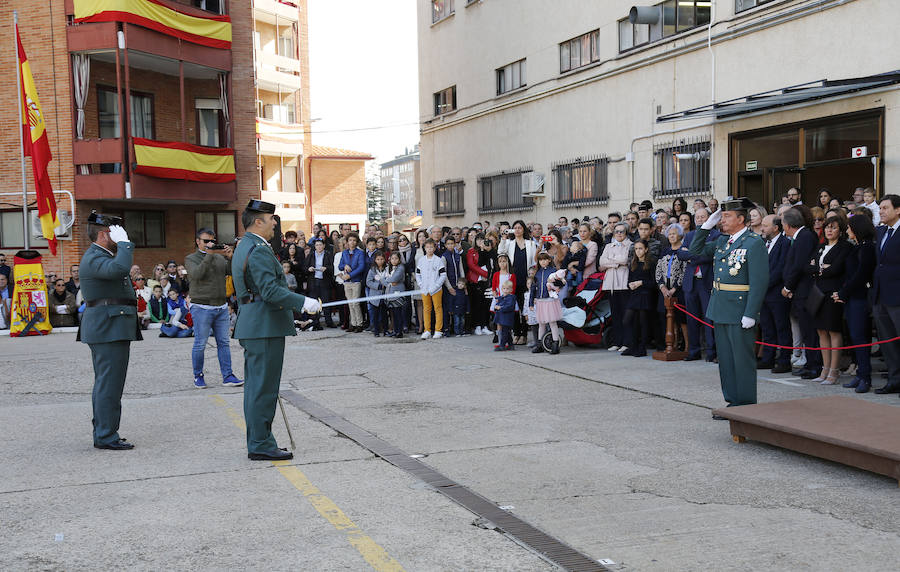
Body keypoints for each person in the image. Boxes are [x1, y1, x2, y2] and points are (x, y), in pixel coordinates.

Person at [231, 200, 321, 461]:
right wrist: (303, 302)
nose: (274, 223)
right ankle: (260, 443)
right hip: (263, 325)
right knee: (263, 389)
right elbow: (269, 291)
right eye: (271, 219)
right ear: (258, 221)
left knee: (257, 387)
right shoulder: (257, 249)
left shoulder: (247, 245)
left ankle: (259, 440)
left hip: (258, 324)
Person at [689, 199, 768, 414]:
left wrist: (751, 313)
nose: (722, 220)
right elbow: (695, 251)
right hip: (721, 307)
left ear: (741, 219)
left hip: (740, 310)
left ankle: (746, 404)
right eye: (721, 217)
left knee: (741, 360)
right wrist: (706, 227)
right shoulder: (724, 241)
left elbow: (759, 281)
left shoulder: (754, 242)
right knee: (726, 360)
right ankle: (733, 402)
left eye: (726, 216)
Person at [78, 212, 141, 450]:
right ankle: (105, 435)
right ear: (104, 234)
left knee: (107, 383)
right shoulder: (95, 257)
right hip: (108, 328)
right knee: (109, 384)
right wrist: (125, 244)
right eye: (114, 232)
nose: (119, 236)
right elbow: (119, 269)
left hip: (110, 326)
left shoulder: (101, 255)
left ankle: (104, 431)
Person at [185, 228, 242, 388]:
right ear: (198, 241)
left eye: (212, 241)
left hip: (221, 306)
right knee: (200, 343)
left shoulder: (218, 257)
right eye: (206, 241)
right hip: (201, 306)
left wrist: (231, 258)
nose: (210, 244)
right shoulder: (191, 258)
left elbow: (232, 271)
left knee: (224, 342)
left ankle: (228, 376)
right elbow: (197, 275)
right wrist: (209, 256)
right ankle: (198, 376)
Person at [805, 216, 852, 384]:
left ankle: (834, 370)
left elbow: (836, 269)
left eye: (833, 227)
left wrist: (818, 269)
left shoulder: (845, 246)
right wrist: (820, 269)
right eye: (827, 227)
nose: (829, 230)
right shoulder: (821, 246)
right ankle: (824, 369)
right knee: (821, 331)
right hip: (818, 293)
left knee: (833, 330)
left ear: (840, 230)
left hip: (833, 293)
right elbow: (808, 266)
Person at [835, 214, 877, 393]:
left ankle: (865, 377)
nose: (847, 230)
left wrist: (843, 292)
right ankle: (860, 374)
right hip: (852, 298)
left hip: (860, 298)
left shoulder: (867, 248)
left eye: (850, 227)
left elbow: (861, 275)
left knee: (861, 337)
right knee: (854, 336)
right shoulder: (858, 247)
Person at [781, 207, 824, 379]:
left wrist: (788, 287)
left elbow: (798, 265)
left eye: (783, 223)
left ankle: (815, 365)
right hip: (799, 291)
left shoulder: (805, 237)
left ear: (789, 224)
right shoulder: (801, 237)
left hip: (805, 291)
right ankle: (810, 363)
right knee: (806, 330)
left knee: (810, 331)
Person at [678, 208, 718, 362]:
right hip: (691, 282)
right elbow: (681, 254)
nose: (700, 219)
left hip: (706, 282)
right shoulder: (689, 235)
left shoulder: (716, 235)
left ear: (709, 219)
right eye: (698, 217)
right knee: (692, 319)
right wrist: (695, 254)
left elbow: (709, 255)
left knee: (708, 320)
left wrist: (692, 256)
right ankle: (693, 351)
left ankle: (711, 352)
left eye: (703, 217)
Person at [756, 215, 792, 374]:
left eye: (765, 225)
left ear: (775, 228)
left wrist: (764, 284)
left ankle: (784, 360)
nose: (762, 228)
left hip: (777, 293)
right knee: (767, 327)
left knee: (781, 327)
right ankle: (768, 358)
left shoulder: (785, 244)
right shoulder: (763, 243)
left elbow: (780, 268)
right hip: (763, 294)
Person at [872, 194, 900, 395]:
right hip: (880, 296)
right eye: (880, 208)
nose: (880, 211)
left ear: (898, 210)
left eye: (885, 208)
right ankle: (894, 379)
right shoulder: (881, 232)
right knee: (888, 342)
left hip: (897, 297)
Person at [499, 220, 537, 345]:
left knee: (524, 308)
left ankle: (524, 334)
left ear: (523, 229)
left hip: (526, 280)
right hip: (513, 280)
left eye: (520, 227)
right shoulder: (510, 243)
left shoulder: (530, 243)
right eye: (515, 228)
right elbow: (500, 252)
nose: (517, 230)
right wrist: (503, 239)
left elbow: (533, 261)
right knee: (513, 307)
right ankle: (516, 333)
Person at [598, 223, 632, 351]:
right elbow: (602, 262)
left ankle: (627, 342)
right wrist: (615, 263)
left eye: (621, 231)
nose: (618, 234)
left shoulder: (630, 245)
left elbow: (625, 260)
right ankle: (617, 342)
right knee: (615, 315)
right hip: (611, 284)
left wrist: (611, 261)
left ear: (626, 233)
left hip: (623, 283)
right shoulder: (608, 245)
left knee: (625, 315)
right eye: (616, 231)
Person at [624, 240, 655, 357]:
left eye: (640, 248)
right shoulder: (633, 263)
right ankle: (633, 346)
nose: (638, 251)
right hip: (634, 295)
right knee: (628, 321)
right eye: (636, 249)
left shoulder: (651, 263)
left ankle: (642, 348)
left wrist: (641, 283)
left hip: (645, 295)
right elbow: (629, 280)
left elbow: (653, 282)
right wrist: (630, 285)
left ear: (646, 249)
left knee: (643, 322)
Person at [530, 252, 563, 354]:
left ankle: (555, 344)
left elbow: (561, 283)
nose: (543, 262)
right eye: (540, 260)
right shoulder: (537, 273)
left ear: (549, 260)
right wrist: (530, 302)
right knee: (541, 323)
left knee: (552, 322)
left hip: (550, 300)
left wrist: (556, 283)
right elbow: (532, 289)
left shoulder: (553, 271)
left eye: (545, 259)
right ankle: (540, 344)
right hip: (540, 301)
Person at [416, 238, 446, 340]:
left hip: (436, 289)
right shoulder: (421, 260)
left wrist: (436, 286)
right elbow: (418, 274)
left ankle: (438, 330)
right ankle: (427, 330)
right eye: (427, 247)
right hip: (425, 289)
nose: (429, 249)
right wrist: (421, 284)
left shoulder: (438, 260)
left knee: (438, 308)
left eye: (431, 247)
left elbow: (442, 275)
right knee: (426, 309)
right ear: (424, 248)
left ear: (434, 248)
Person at [338, 233, 366, 333]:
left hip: (356, 281)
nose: (352, 242)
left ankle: (359, 323)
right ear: (347, 242)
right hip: (346, 282)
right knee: (350, 303)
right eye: (350, 240)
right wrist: (345, 265)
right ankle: (353, 324)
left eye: (354, 240)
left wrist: (350, 275)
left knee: (356, 303)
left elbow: (361, 267)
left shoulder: (360, 253)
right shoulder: (344, 252)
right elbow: (340, 266)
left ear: (357, 242)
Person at [305, 238, 335, 329]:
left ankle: (329, 321)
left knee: (326, 302)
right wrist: (308, 269)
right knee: (314, 302)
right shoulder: (311, 255)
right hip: (314, 281)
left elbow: (333, 267)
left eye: (320, 245)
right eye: (317, 245)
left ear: (324, 245)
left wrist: (326, 268)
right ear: (314, 246)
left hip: (324, 281)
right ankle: (315, 321)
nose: (319, 247)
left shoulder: (328, 255)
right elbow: (304, 267)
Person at [365, 250, 390, 337]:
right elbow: (368, 282)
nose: (380, 261)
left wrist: (385, 285)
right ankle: (376, 330)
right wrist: (378, 286)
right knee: (375, 314)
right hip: (375, 296)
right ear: (375, 260)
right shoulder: (372, 270)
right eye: (378, 259)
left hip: (385, 295)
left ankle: (385, 329)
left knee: (384, 314)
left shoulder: (387, 269)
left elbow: (389, 280)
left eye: (382, 259)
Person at [385, 251, 407, 338]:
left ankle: (399, 331)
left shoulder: (401, 268)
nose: (394, 260)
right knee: (393, 313)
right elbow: (383, 278)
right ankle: (395, 330)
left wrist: (387, 280)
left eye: (396, 258)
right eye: (392, 258)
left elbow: (394, 278)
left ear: (399, 259)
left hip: (398, 293)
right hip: (390, 293)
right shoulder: (388, 267)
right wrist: (388, 280)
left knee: (398, 313)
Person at [493, 280, 517, 351]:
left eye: (507, 289)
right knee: (507, 332)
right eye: (504, 288)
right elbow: (498, 304)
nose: (505, 290)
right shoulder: (501, 297)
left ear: (511, 290)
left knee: (505, 332)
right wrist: (496, 307)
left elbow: (509, 307)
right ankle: (511, 345)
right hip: (501, 318)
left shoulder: (511, 297)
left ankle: (502, 345)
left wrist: (501, 307)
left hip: (507, 318)